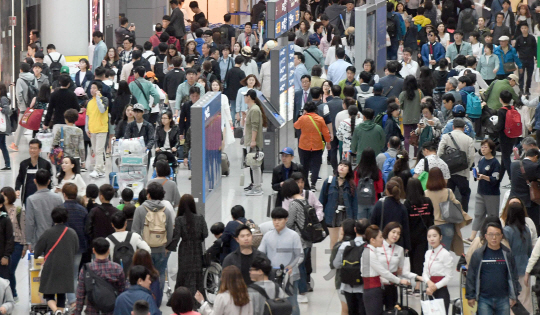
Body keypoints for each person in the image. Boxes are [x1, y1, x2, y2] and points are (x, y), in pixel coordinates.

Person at [467, 221, 521, 315]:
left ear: (501, 236)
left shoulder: (507, 254)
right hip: (484, 299)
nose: (494, 238)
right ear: (486, 236)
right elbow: (471, 275)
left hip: (503, 299)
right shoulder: (478, 254)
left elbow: (513, 275)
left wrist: (514, 295)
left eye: (497, 234)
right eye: (491, 234)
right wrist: (470, 296)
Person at [132, 182, 175, 297]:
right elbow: (170, 232)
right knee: (160, 273)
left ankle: (145, 296)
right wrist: (166, 246)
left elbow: (135, 232)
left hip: (145, 250)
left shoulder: (140, 210)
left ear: (148, 195)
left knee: (144, 274)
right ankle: (158, 297)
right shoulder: (166, 210)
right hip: (161, 249)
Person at [34, 207, 79, 315]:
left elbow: (37, 252)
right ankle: (60, 310)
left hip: (51, 266)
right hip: (66, 267)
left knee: (48, 295)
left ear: (53, 218)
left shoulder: (48, 233)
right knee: (61, 294)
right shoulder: (72, 233)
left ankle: (55, 310)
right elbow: (76, 249)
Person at [258, 208, 303, 315]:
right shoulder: (268, 236)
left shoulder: (293, 235)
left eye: (279, 219)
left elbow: (300, 255)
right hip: (272, 275)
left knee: (292, 304)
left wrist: (291, 266)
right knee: (272, 303)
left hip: (290, 276)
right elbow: (260, 253)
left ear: (286, 219)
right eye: (274, 219)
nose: (276, 222)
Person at [361, 225, 410, 315]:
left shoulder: (371, 251)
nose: (382, 239)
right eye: (380, 237)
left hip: (375, 288)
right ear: (373, 240)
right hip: (372, 290)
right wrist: (399, 280)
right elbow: (383, 272)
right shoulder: (370, 253)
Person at [167, 193, 207, 296]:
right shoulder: (200, 218)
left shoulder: (179, 219)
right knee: (197, 272)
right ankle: (198, 297)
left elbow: (176, 237)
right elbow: (205, 234)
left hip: (184, 249)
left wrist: (169, 248)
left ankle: (182, 296)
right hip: (197, 249)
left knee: (184, 272)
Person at [74, 237, 126, 315]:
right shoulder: (117, 268)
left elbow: (80, 294)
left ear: (93, 250)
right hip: (112, 310)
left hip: (92, 311)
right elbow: (122, 291)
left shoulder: (86, 269)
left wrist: (77, 312)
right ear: (108, 250)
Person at [465, 139, 501, 243]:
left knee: (492, 216)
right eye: (482, 147)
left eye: (485, 147)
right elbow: (478, 172)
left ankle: (494, 236)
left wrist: (484, 176)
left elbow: (495, 179)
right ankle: (472, 237)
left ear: (491, 149)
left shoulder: (495, 163)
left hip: (492, 194)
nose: (483, 149)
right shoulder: (481, 160)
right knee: (478, 214)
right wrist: (476, 175)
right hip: (480, 192)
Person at [437, 118, 475, 212]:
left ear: (453, 127)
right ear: (463, 128)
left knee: (448, 194)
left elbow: (439, 153)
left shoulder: (446, 137)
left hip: (448, 172)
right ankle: (464, 213)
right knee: (465, 193)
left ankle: (447, 213)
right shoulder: (469, 139)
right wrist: (467, 167)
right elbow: (471, 157)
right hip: (462, 173)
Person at [294, 101, 331, 189]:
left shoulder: (302, 118)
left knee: (304, 166)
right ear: (315, 109)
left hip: (304, 146)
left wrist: (303, 115)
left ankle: (306, 185)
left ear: (305, 110)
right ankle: (313, 184)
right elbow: (326, 132)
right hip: (317, 145)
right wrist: (328, 143)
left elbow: (296, 126)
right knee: (316, 165)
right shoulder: (320, 119)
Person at [503, 202, 533, 312]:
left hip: (511, 268)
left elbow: (505, 251)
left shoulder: (507, 231)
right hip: (525, 268)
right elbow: (530, 250)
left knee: (511, 300)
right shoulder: (526, 230)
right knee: (525, 299)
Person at [25, 168, 62, 251]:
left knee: (39, 263)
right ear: (49, 181)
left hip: (38, 240)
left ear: (35, 181)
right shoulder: (58, 198)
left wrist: (29, 241)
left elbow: (30, 222)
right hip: (56, 239)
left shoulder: (31, 200)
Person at [370, 180, 411, 250]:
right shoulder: (402, 207)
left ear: (386, 191)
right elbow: (406, 229)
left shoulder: (380, 204)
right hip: (397, 243)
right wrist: (407, 246)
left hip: (381, 241)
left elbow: (372, 223)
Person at [422, 226, 454, 314]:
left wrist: (435, 286)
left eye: (434, 236)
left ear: (440, 237)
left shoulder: (445, 254)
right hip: (429, 289)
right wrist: (428, 282)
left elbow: (449, 276)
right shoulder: (427, 253)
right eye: (429, 236)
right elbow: (424, 272)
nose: (432, 239)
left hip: (441, 290)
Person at [242, 89, 268, 196]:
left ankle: (257, 188)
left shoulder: (254, 110)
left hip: (254, 143)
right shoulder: (251, 109)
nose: (244, 98)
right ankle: (256, 186)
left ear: (249, 97)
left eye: (245, 96)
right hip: (250, 141)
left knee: (255, 165)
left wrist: (253, 140)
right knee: (253, 165)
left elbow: (255, 126)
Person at [15, 139, 53, 206]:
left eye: (35, 148)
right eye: (31, 148)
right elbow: (20, 178)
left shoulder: (45, 164)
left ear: (40, 150)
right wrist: (17, 189)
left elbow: (49, 180)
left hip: (42, 197)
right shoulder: (24, 164)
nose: (32, 150)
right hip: (27, 197)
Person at [510, 148, 540, 231]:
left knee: (515, 224)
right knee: (533, 225)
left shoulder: (513, 164)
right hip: (529, 202)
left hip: (514, 199)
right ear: (535, 156)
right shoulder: (535, 166)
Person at [495, 90, 521, 185]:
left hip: (504, 136)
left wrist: (494, 128)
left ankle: (512, 179)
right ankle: (499, 179)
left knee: (506, 158)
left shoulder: (501, 111)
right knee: (504, 157)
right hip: (513, 135)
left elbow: (500, 125)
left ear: (501, 99)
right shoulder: (514, 109)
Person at [124, 103, 156, 169]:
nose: (136, 114)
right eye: (135, 111)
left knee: (144, 171)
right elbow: (126, 138)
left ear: (143, 112)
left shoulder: (148, 126)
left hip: (145, 153)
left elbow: (152, 139)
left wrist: (147, 147)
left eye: (138, 112)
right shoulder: (130, 126)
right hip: (133, 153)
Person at [399, 75, 422, 157]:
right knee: (416, 136)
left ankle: (406, 154)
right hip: (417, 118)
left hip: (406, 118)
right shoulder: (419, 92)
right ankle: (416, 155)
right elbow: (422, 104)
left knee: (406, 137)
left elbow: (400, 105)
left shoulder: (403, 94)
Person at [514, 23, 537, 95]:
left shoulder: (532, 38)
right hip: (521, 59)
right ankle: (521, 89)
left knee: (529, 75)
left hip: (530, 59)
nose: (524, 29)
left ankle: (527, 89)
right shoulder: (518, 38)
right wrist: (515, 58)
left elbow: (535, 48)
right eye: (522, 28)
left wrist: (537, 58)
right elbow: (515, 49)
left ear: (528, 28)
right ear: (520, 29)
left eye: (525, 28)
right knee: (521, 75)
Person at [0, 194, 13, 281]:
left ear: (1, 205)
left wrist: (6, 256)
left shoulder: (5, 219)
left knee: (3, 284)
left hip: (2, 258)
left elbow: (9, 239)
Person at [0, 84, 12, 170]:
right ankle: (7, 164)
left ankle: (8, 164)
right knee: (2, 145)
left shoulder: (3, 98)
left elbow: (7, 110)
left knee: (2, 145)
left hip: (2, 125)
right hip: (2, 126)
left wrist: (1, 109)